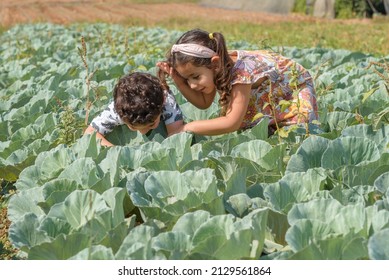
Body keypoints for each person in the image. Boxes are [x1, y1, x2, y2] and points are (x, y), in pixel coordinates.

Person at [157, 28, 318, 136]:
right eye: (187, 79)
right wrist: (180, 82)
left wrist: (185, 128)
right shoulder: (215, 67)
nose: (192, 85)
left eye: (195, 77)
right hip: (265, 91)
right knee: (260, 130)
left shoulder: (241, 74)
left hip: (292, 89)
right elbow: (204, 102)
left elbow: (231, 123)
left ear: (214, 63)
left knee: (295, 134)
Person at [84, 72, 184, 146]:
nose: (143, 131)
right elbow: (89, 134)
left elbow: (176, 135)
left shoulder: (166, 100)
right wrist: (115, 150)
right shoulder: (117, 110)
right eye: (134, 127)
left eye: (152, 124)